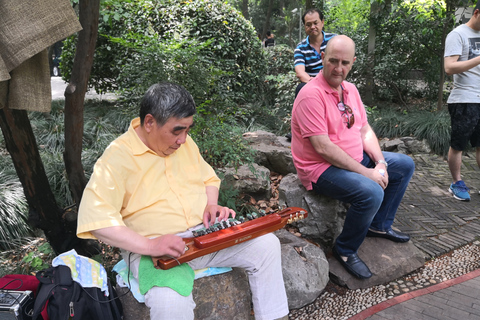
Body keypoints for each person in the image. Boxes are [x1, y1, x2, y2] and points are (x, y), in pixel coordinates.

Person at [76, 82, 289, 320]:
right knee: (170, 299)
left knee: (266, 245)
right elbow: (97, 221)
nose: (183, 140)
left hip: (204, 237)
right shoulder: (117, 157)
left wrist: (211, 205)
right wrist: (150, 246)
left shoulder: (184, 145)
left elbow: (209, 178)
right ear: (149, 123)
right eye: (177, 131)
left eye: (187, 130)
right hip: (154, 251)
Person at [291, 35, 415, 279]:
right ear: (322, 58)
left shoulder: (350, 90)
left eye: (345, 63)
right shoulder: (310, 95)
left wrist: (379, 162)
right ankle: (345, 249)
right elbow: (323, 148)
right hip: (321, 168)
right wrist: (368, 173)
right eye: (333, 61)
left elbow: (364, 130)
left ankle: (378, 226)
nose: (339, 68)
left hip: (353, 159)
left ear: (353, 62)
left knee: (403, 165)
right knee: (372, 192)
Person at [444, 0, 480, 201]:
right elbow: (449, 67)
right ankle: (456, 182)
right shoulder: (458, 35)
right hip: (465, 98)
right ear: (476, 13)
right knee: (458, 144)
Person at [293, 8, 336, 97]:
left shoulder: (334, 40)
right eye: (308, 24)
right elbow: (300, 73)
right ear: (304, 26)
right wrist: (317, 84)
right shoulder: (300, 48)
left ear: (322, 22)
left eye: (315, 23)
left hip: (333, 79)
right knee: (300, 88)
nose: (312, 27)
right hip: (312, 84)